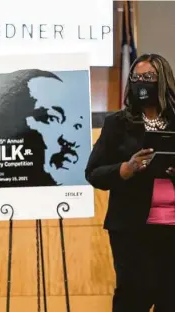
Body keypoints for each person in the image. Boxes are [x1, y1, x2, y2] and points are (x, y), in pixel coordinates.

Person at [86, 54, 175, 312]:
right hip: (132, 230)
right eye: (136, 77)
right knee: (133, 297)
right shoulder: (117, 124)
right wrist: (126, 168)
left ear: (163, 81)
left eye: (148, 77)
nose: (141, 82)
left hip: (172, 230)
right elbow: (94, 172)